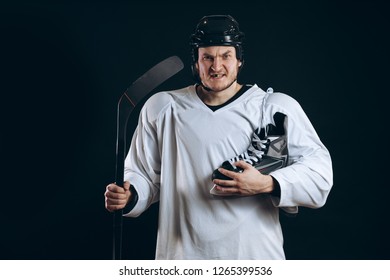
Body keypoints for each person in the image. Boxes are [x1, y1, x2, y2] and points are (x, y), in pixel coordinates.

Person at [104, 14, 333, 260]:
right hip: (182, 258)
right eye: (208, 57)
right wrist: (129, 195)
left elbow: (319, 175)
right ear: (196, 61)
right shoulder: (163, 107)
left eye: (226, 56)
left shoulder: (274, 108)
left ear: (239, 60)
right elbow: (142, 175)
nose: (216, 66)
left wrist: (267, 183)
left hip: (254, 258)